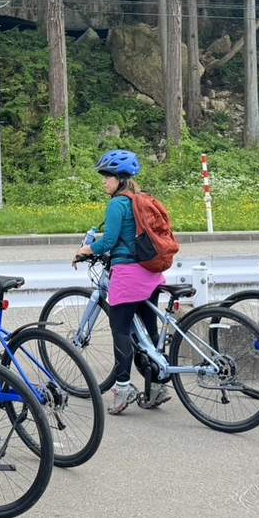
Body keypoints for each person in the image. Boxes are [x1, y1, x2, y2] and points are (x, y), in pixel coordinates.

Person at [74, 149, 169, 415]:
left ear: (120, 179)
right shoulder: (139, 200)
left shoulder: (117, 204)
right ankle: (158, 386)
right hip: (150, 272)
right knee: (148, 332)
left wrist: (86, 251)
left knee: (121, 331)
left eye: (108, 177)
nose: (104, 181)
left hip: (128, 274)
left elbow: (109, 242)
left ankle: (123, 387)